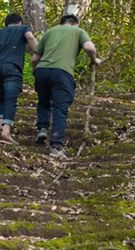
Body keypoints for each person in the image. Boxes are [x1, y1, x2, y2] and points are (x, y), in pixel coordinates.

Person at [30, 13, 101, 159]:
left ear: (61, 23)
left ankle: (42, 128)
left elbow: (35, 58)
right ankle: (56, 147)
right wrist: (94, 59)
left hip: (42, 70)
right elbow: (89, 48)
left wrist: (35, 72)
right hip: (62, 73)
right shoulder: (79, 31)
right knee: (60, 108)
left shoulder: (49, 32)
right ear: (76, 23)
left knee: (43, 101)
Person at [0, 13, 38, 144]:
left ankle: (0, 123)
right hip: (12, 67)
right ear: (19, 22)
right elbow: (30, 37)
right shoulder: (23, 29)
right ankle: (6, 131)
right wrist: (40, 54)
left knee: (2, 98)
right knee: (11, 98)